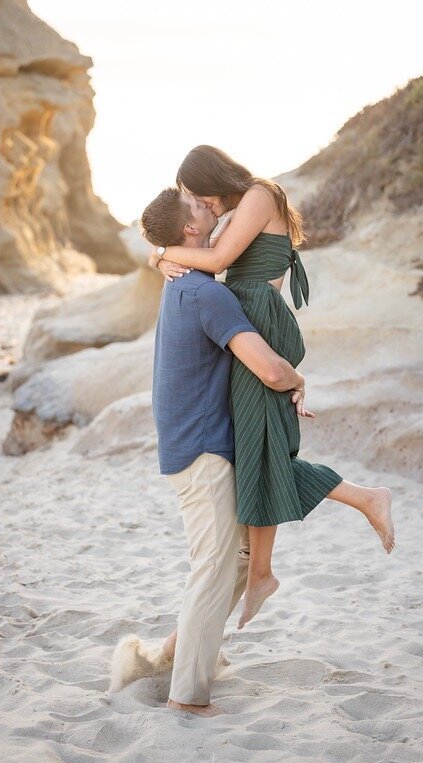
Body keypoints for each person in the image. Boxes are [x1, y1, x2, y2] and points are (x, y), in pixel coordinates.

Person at [149, 145, 395, 632]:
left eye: (200, 195)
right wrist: (165, 259)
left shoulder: (260, 195)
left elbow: (214, 258)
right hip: (246, 320)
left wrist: (159, 254)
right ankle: (261, 570)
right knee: (257, 447)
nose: (203, 206)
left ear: (216, 179)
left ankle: (363, 501)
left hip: (256, 322)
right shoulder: (241, 207)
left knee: (262, 447)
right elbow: (209, 260)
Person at [111, 188, 309, 717]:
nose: (214, 209)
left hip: (191, 447)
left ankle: (174, 654)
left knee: (237, 561)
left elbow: (175, 253)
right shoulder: (205, 294)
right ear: (191, 233)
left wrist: (160, 254)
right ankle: (186, 697)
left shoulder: (182, 284)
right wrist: (297, 378)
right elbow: (268, 368)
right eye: (201, 208)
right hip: (201, 453)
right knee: (215, 567)